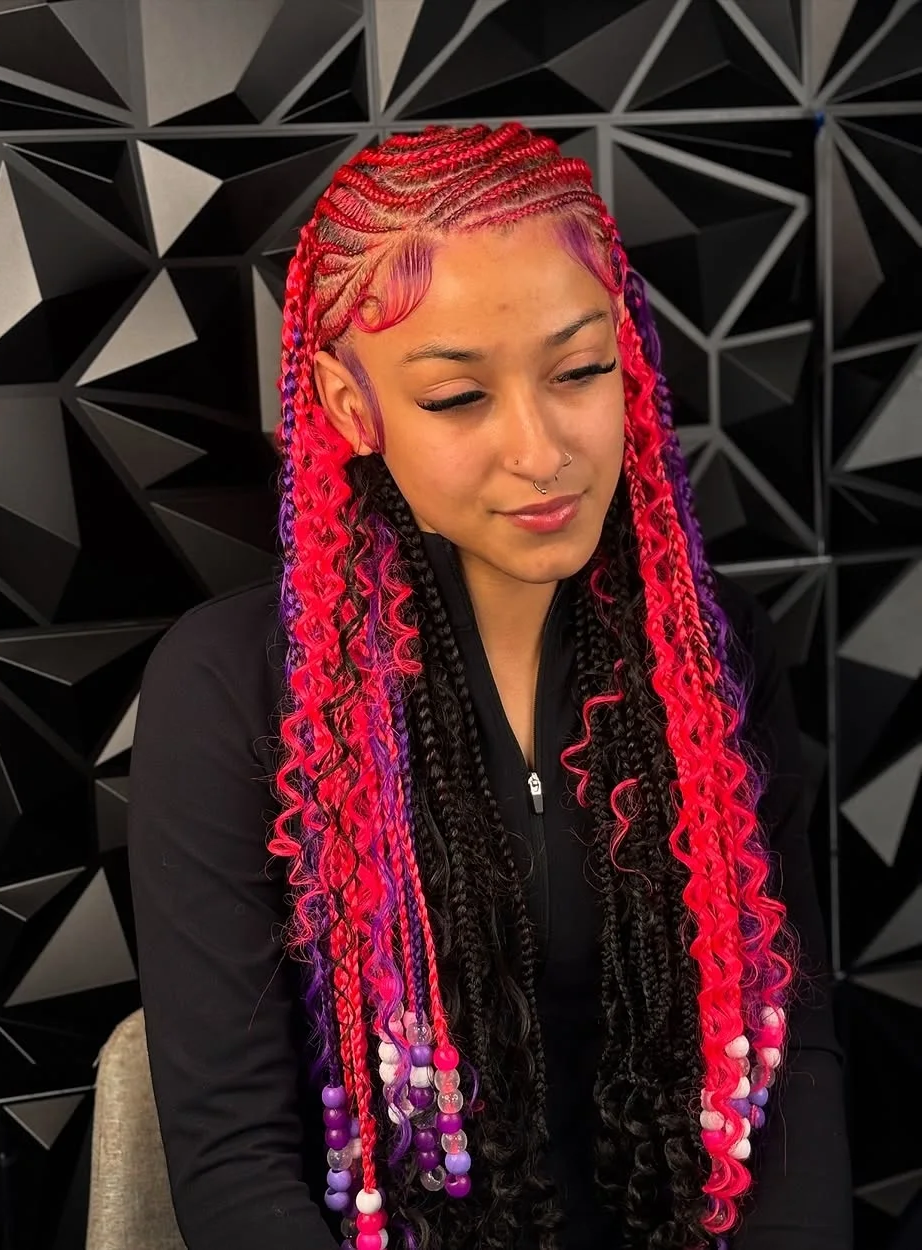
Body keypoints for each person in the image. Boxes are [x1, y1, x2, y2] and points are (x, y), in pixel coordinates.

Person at [127, 123, 852, 1250]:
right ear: (350, 405)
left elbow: (791, 1051)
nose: (541, 447)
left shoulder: (714, 652)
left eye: (579, 370)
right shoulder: (228, 692)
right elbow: (234, 1161)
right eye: (459, 398)